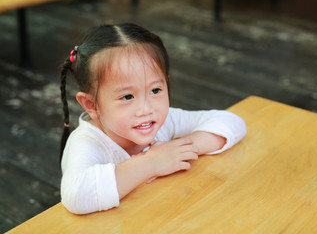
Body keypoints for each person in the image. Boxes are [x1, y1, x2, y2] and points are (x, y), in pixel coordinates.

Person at [59, 23, 247, 215]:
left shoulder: (164, 120)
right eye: (127, 97)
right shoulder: (86, 142)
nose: (146, 109)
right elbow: (76, 196)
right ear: (92, 105)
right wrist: (152, 162)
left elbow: (232, 122)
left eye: (155, 90)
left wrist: (177, 150)